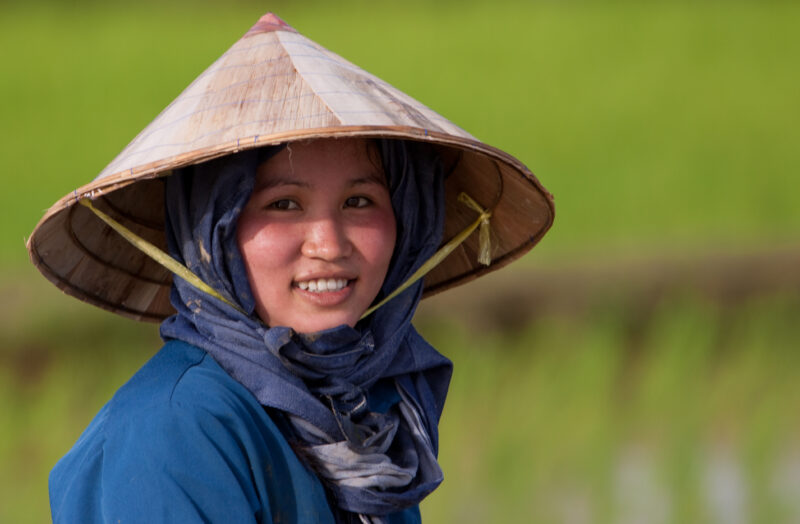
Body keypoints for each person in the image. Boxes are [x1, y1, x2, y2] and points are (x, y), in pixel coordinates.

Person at [28, 13, 554, 524]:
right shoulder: (172, 434)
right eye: (283, 205)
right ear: (215, 231)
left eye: (360, 201)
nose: (328, 243)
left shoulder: (369, 426)